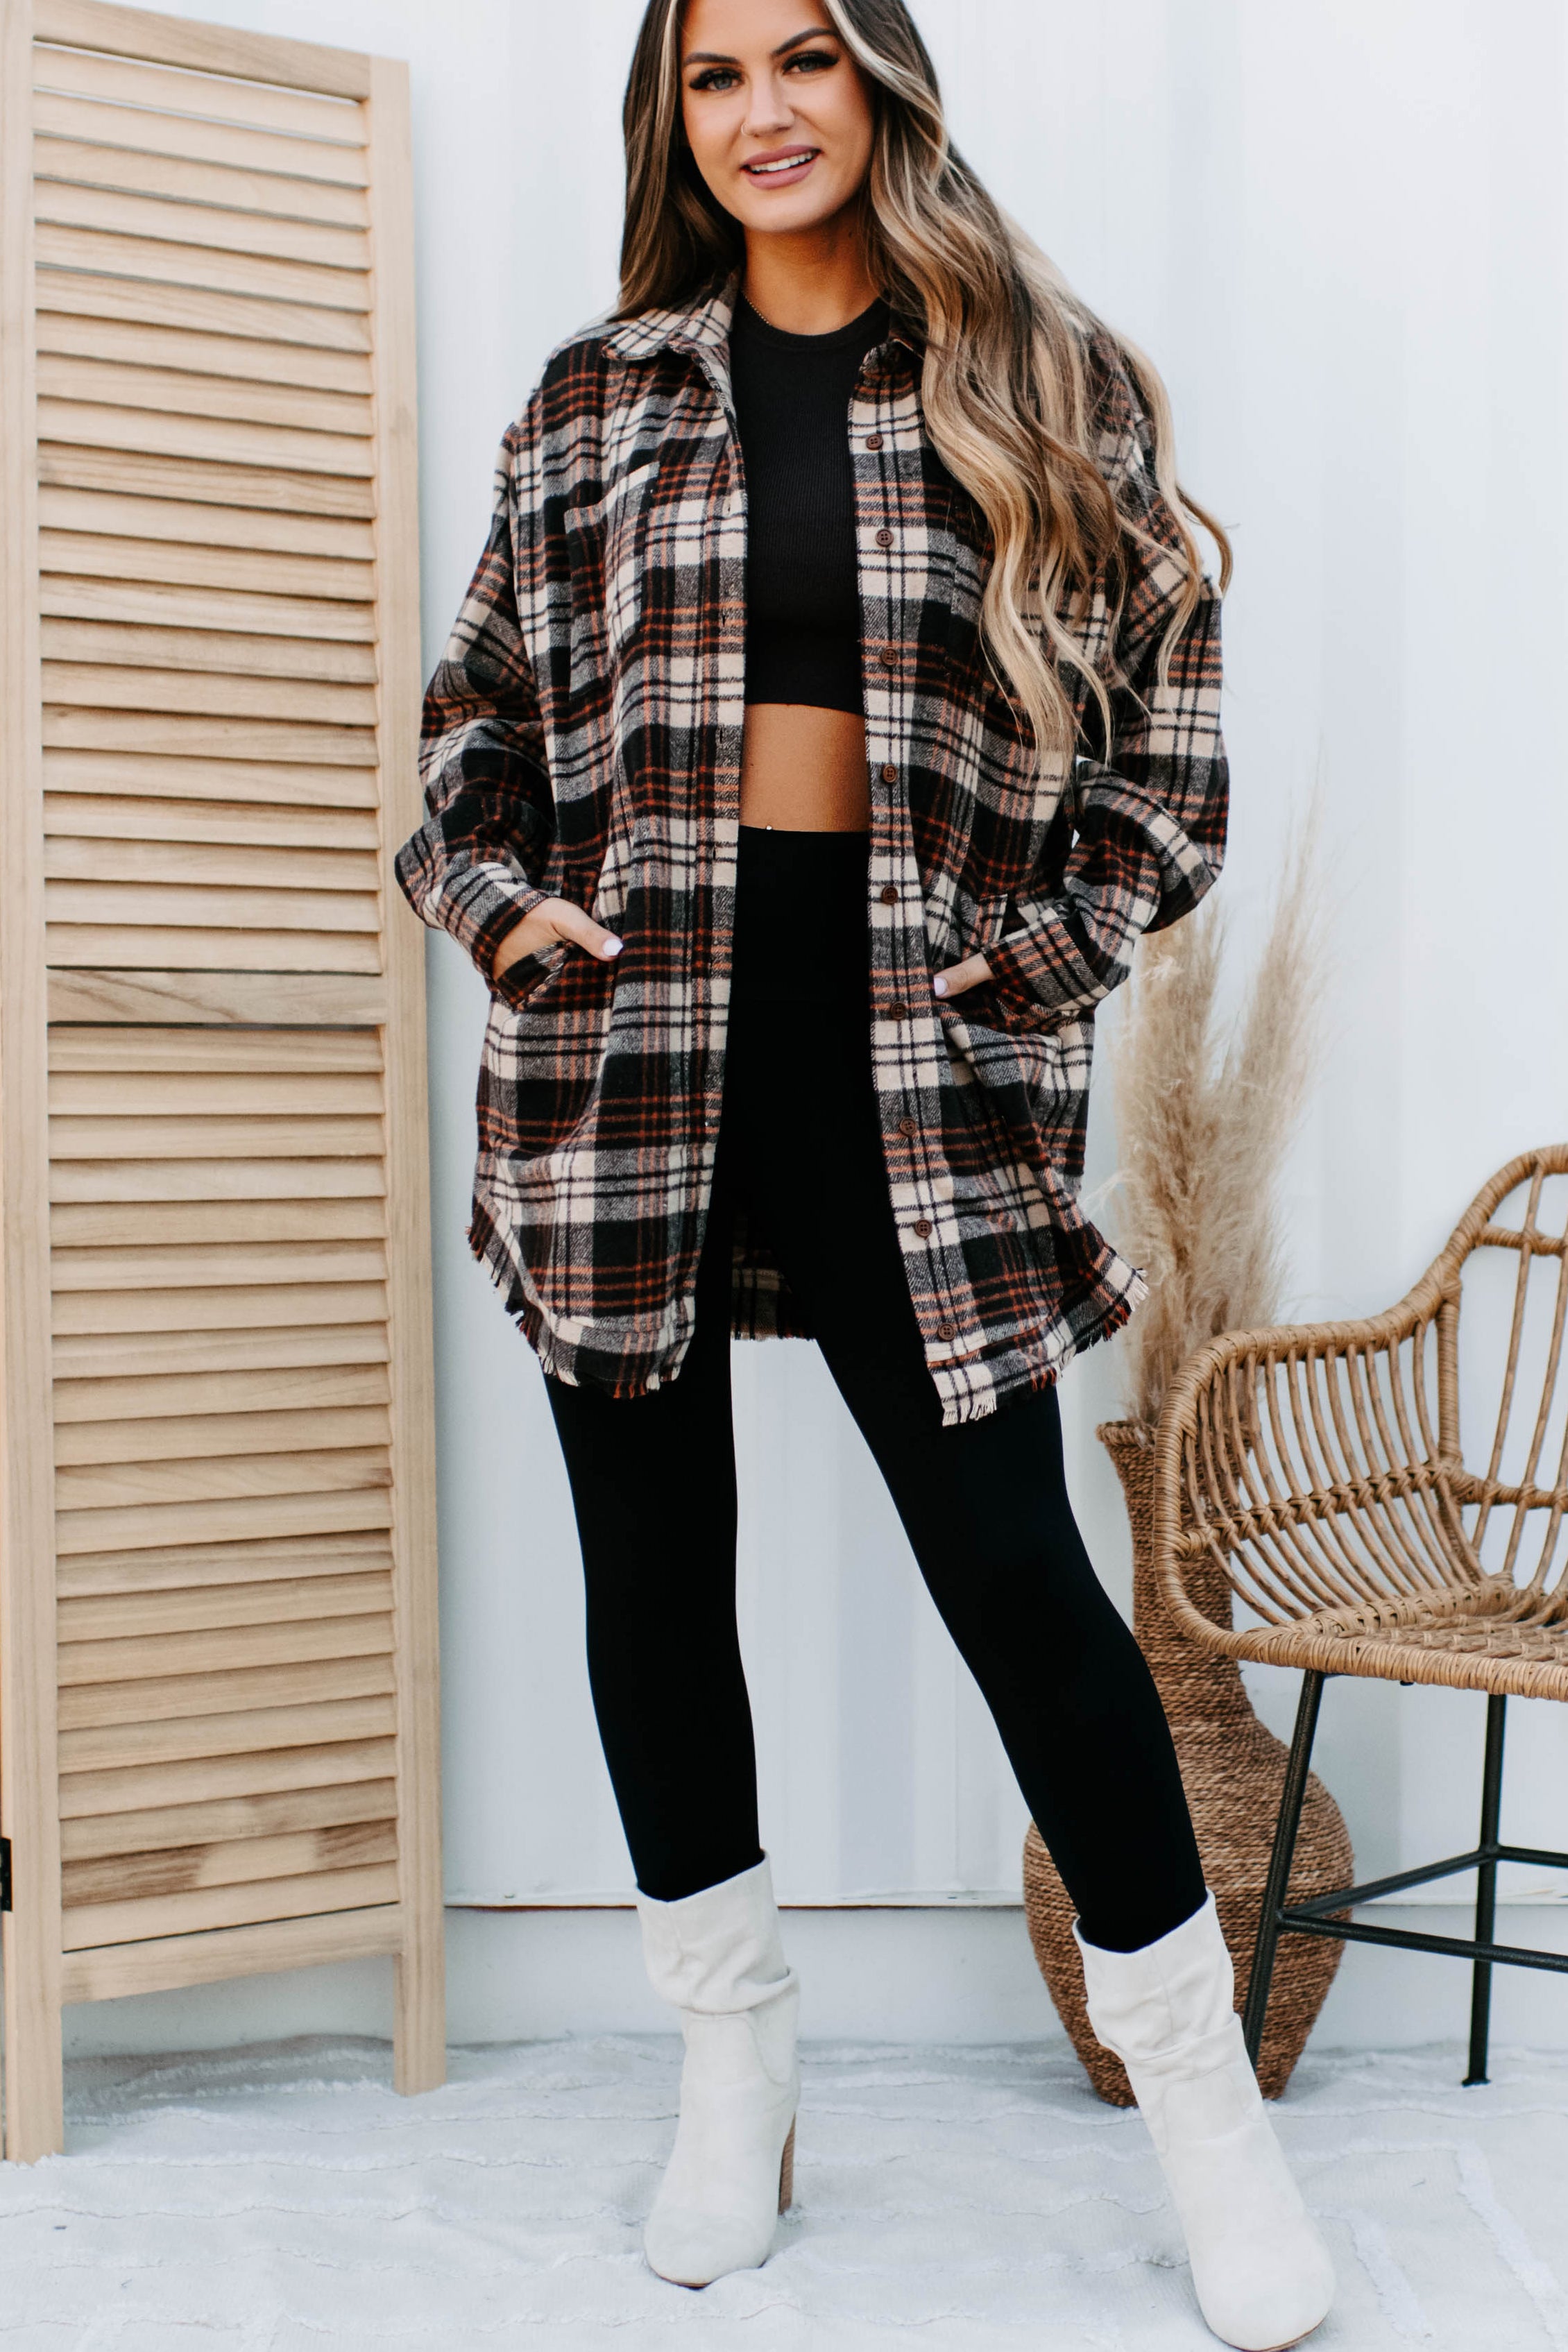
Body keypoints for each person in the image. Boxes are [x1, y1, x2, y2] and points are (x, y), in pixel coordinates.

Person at [397, 2, 1333, 2343]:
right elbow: (472, 723)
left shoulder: (1044, 383)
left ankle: (1201, 2112)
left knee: (1015, 1571)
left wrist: (1035, 962)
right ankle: (733, 2073)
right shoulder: (595, 396)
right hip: (632, 1044)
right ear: (674, 118)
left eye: (804, 58)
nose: (763, 112)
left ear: (883, 86)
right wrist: (502, 913)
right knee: (649, 1572)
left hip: (918, 1055)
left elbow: (1166, 765)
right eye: (715, 76)